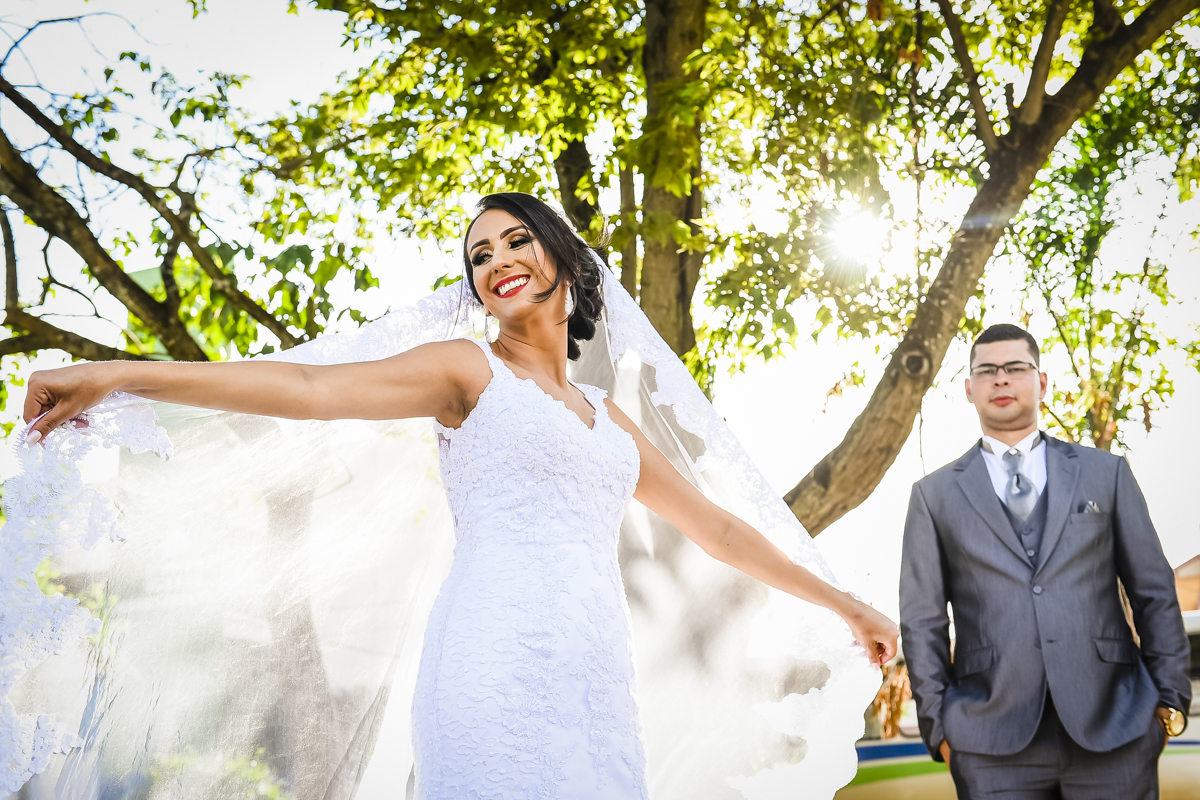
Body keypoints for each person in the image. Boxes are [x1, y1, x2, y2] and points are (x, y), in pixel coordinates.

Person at [13, 193, 897, 799]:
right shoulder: (466, 371)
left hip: (593, 672)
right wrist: (116, 372)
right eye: (479, 254)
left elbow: (718, 529)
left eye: (516, 239)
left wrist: (845, 602)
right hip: (491, 656)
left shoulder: (607, 420)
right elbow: (310, 390)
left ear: (566, 258)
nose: (497, 259)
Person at [899, 323, 1191, 799]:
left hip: (1117, 727)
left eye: (1016, 367)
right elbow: (922, 622)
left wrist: (1168, 704)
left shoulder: (1106, 474)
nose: (1001, 379)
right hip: (989, 742)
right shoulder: (933, 497)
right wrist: (941, 730)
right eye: (986, 371)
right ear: (969, 388)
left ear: (1042, 381)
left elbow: (1154, 592)